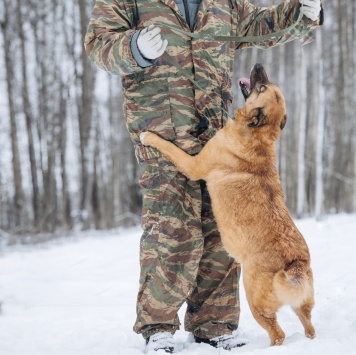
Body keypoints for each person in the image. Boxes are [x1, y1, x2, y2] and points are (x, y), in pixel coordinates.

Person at [84, 0, 323, 352]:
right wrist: (134, 47)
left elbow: (260, 25)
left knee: (222, 231)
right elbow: (97, 45)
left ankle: (214, 323)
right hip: (162, 129)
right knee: (172, 229)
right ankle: (158, 326)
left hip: (214, 133)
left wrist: (303, 14)